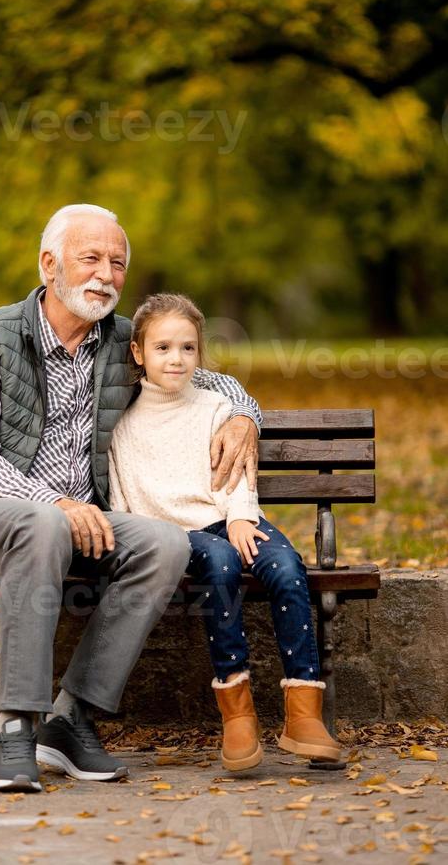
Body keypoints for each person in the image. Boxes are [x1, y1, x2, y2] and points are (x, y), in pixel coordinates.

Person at [0, 204, 263, 792]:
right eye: (90, 258)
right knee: (40, 524)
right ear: (49, 265)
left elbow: (209, 379)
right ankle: (15, 727)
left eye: (117, 263)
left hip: (78, 522)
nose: (105, 274)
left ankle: (71, 720)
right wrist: (55, 503)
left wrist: (244, 414)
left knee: (166, 544)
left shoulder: (122, 342)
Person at [108, 292, 341, 770]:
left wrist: (239, 516)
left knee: (283, 564)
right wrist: (142, 539)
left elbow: (238, 472)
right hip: (172, 533)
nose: (177, 359)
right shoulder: (122, 423)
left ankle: (303, 715)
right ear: (138, 352)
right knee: (219, 562)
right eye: (163, 348)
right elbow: (122, 499)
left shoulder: (217, 405)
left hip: (226, 517)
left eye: (188, 348)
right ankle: (238, 716)